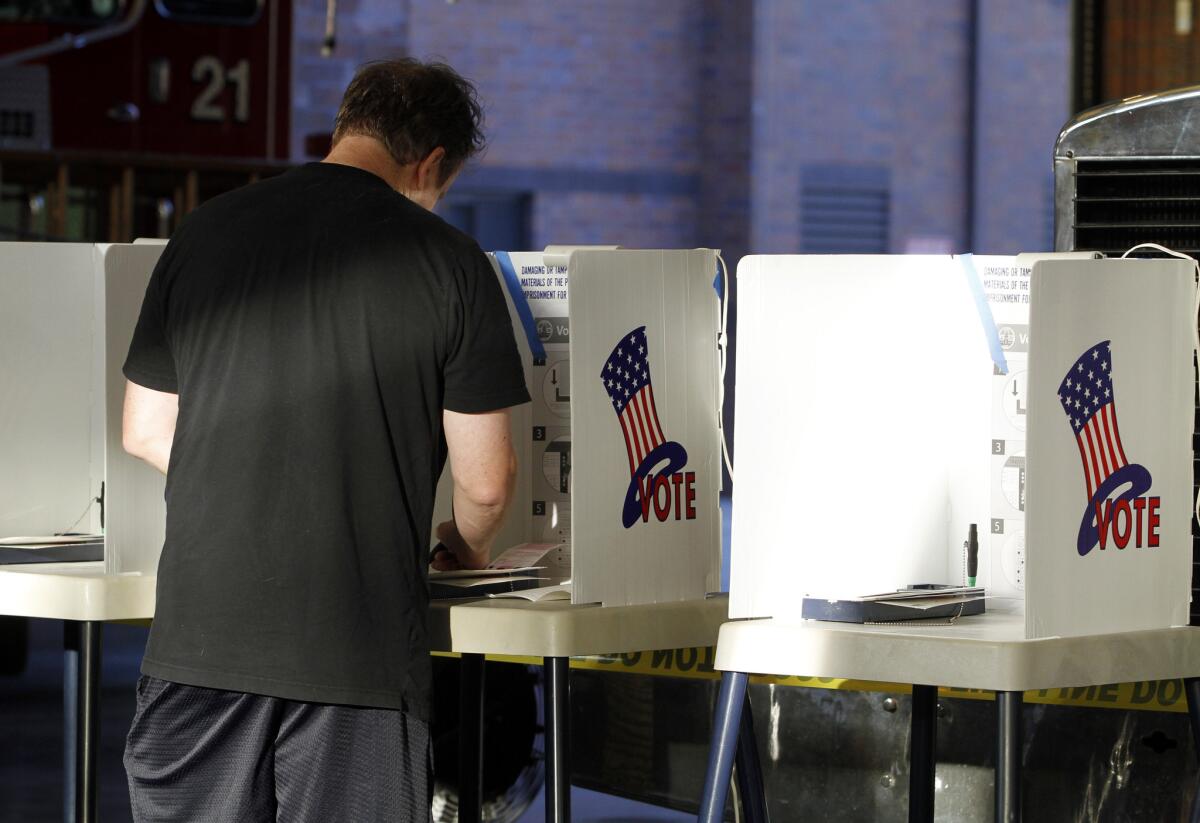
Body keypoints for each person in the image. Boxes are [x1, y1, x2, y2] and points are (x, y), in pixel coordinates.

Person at [119, 58, 529, 822]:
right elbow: (487, 483)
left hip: (197, 647)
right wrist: (465, 547)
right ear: (431, 163)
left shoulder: (204, 231)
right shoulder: (449, 263)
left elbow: (144, 428)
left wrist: (251, 470)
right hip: (357, 659)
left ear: (347, 127)